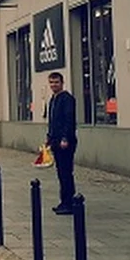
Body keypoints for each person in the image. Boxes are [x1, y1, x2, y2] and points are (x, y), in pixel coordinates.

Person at [45, 72, 82, 214]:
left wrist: (65, 138)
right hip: (55, 140)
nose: (53, 85)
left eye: (56, 82)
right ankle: (64, 201)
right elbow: (52, 121)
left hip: (65, 142)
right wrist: (49, 138)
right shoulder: (53, 99)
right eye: (51, 82)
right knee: (61, 172)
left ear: (62, 83)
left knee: (66, 172)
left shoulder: (67, 99)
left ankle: (69, 203)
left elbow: (69, 120)